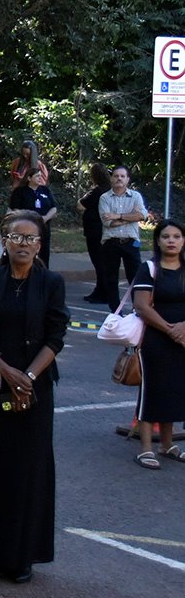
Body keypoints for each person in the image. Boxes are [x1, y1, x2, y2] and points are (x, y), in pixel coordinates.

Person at [0, 211, 68, 582]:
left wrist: (28, 377)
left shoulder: (51, 282)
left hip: (36, 388)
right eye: (16, 237)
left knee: (29, 468)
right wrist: (7, 371)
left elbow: (56, 335)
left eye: (31, 238)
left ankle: (21, 557)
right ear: (4, 241)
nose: (23, 243)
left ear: (40, 245)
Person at [131, 219, 185, 469]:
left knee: (174, 390)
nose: (171, 241)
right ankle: (145, 449)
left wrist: (182, 328)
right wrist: (170, 329)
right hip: (154, 340)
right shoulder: (149, 268)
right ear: (158, 241)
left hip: (182, 339)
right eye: (165, 237)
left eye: (176, 236)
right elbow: (141, 306)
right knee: (152, 391)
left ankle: (167, 445)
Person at [98, 165, 147, 311]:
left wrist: (117, 216)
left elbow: (142, 215)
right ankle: (115, 312)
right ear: (111, 179)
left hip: (131, 242)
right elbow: (108, 222)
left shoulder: (136, 196)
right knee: (111, 279)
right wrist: (131, 217)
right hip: (110, 243)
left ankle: (137, 310)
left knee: (135, 278)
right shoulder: (104, 198)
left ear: (127, 179)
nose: (119, 178)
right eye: (116, 176)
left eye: (122, 176)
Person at [8, 167, 57, 267]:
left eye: (41, 176)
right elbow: (15, 209)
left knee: (43, 253)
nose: (40, 178)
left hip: (43, 228)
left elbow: (54, 208)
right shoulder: (20, 191)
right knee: (28, 252)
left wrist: (46, 217)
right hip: (26, 230)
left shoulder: (45, 190)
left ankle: (43, 272)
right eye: (37, 176)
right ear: (29, 178)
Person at [78, 163, 111, 304]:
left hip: (95, 230)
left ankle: (103, 292)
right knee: (103, 262)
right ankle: (101, 290)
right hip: (105, 230)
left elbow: (80, 205)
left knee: (99, 262)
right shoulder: (109, 189)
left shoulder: (96, 191)